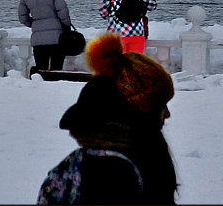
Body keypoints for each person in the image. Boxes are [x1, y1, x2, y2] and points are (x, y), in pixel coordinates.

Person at [37, 32, 178, 204]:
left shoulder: (112, 159)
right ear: (136, 111)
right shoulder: (111, 173)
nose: (167, 114)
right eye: (161, 105)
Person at [17, 0, 74, 75]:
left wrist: (35, 24)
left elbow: (22, 17)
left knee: (41, 72)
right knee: (56, 72)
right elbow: (63, 12)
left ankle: (40, 92)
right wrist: (66, 25)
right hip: (57, 38)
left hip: (38, 39)